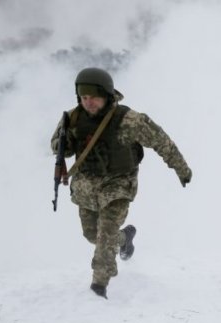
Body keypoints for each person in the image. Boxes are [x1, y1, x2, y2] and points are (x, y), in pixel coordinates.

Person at [50, 67, 192, 299]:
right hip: (87, 187)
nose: (89, 103)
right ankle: (124, 239)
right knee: (92, 235)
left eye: (94, 97)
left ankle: (98, 289)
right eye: (84, 98)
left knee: (105, 238)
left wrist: (182, 169)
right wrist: (66, 142)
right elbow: (57, 148)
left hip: (118, 185)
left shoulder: (129, 120)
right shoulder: (72, 118)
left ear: (106, 94)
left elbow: (161, 142)